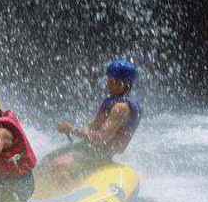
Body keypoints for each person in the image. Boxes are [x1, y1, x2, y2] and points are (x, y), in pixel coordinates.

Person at [43, 59, 142, 187]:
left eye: (111, 82)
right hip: (91, 149)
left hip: (101, 154)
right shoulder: (114, 102)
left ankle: (74, 199)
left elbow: (102, 139)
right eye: (108, 80)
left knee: (59, 166)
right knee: (46, 161)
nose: (108, 85)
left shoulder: (120, 108)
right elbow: (96, 130)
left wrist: (72, 130)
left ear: (122, 84)